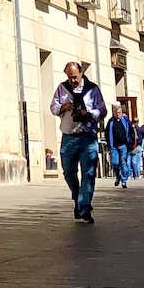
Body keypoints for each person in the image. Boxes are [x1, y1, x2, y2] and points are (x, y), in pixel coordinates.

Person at [49, 61, 107, 223]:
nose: (72, 81)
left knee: (88, 173)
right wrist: (62, 107)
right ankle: (78, 198)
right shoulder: (62, 88)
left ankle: (84, 207)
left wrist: (89, 114)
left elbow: (102, 110)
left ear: (81, 73)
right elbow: (53, 107)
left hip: (88, 136)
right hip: (69, 137)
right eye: (69, 77)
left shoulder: (93, 89)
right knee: (68, 171)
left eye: (74, 77)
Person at [107, 103, 135, 187]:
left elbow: (131, 132)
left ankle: (124, 180)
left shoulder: (126, 121)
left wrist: (130, 143)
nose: (117, 114)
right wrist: (109, 144)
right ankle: (118, 176)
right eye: (116, 112)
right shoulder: (111, 122)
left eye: (119, 112)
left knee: (123, 163)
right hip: (113, 146)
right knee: (115, 163)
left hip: (123, 146)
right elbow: (107, 133)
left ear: (121, 112)